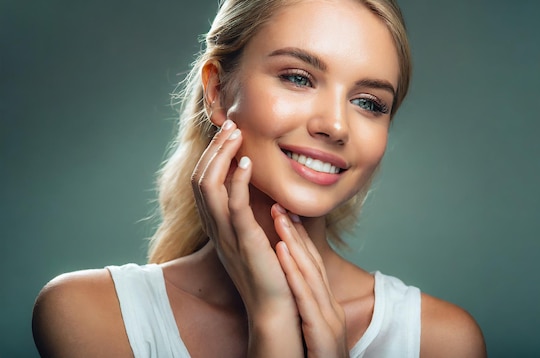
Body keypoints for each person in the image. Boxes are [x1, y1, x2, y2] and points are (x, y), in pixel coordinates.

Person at [32, 0, 486, 356]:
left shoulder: (439, 342)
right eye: (298, 77)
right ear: (216, 91)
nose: (337, 125)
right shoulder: (91, 315)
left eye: (369, 102)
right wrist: (271, 322)